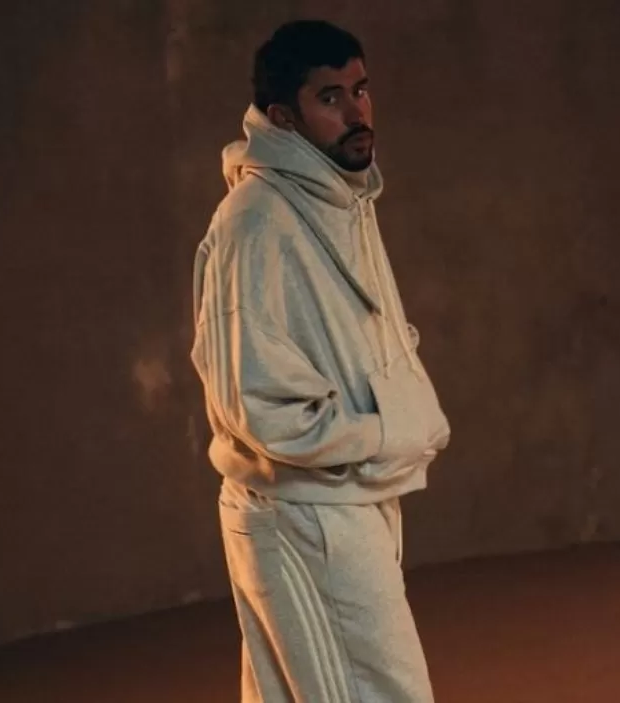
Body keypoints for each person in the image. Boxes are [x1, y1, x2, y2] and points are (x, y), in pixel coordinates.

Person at [190, 19, 450, 703]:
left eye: (360, 90)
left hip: (342, 503)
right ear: (283, 117)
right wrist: (389, 433)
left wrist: (398, 426)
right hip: (307, 515)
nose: (357, 112)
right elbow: (259, 408)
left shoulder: (339, 196)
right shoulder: (256, 223)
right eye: (330, 98)